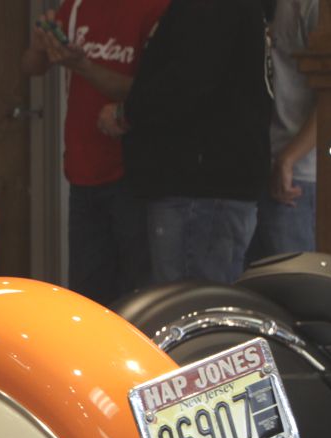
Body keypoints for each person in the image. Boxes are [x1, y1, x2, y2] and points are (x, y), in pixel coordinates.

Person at [99, 0, 273, 285]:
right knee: (199, 299)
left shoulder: (212, 6)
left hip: (202, 187)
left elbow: (188, 80)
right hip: (212, 184)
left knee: (190, 303)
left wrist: (127, 113)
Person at [20, 0, 170, 306]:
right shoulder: (77, 6)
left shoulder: (156, 8)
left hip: (134, 178)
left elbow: (152, 91)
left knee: (138, 297)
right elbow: (32, 66)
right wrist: (39, 47)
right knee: (88, 298)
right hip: (82, 172)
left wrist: (83, 66)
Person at [248, 0, 320, 261]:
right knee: (245, 283)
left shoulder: (311, 6)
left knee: (293, 281)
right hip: (247, 171)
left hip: (294, 177)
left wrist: (289, 158)